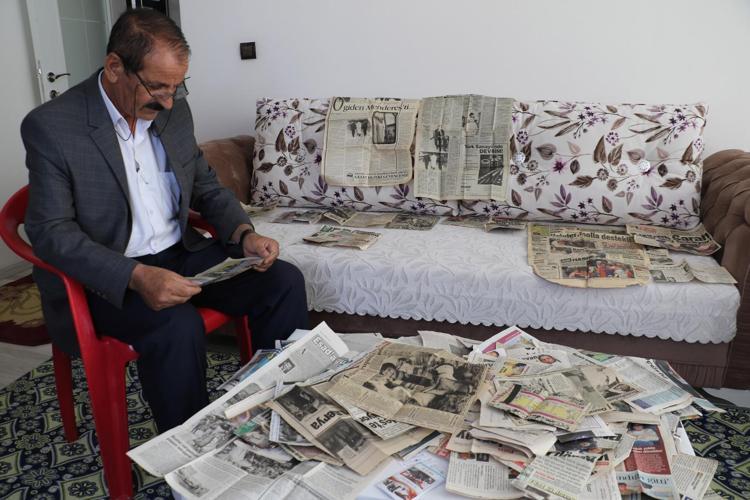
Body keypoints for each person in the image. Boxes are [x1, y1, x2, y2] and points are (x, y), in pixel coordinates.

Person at [20, 9, 308, 432]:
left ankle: (278, 413)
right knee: (177, 326)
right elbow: (51, 233)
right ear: (114, 67)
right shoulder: (53, 127)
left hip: (180, 254)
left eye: (177, 87)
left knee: (283, 281)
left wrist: (243, 232)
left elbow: (205, 185)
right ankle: (190, 448)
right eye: (157, 87)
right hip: (106, 279)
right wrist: (137, 276)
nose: (169, 101)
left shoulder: (173, 111)